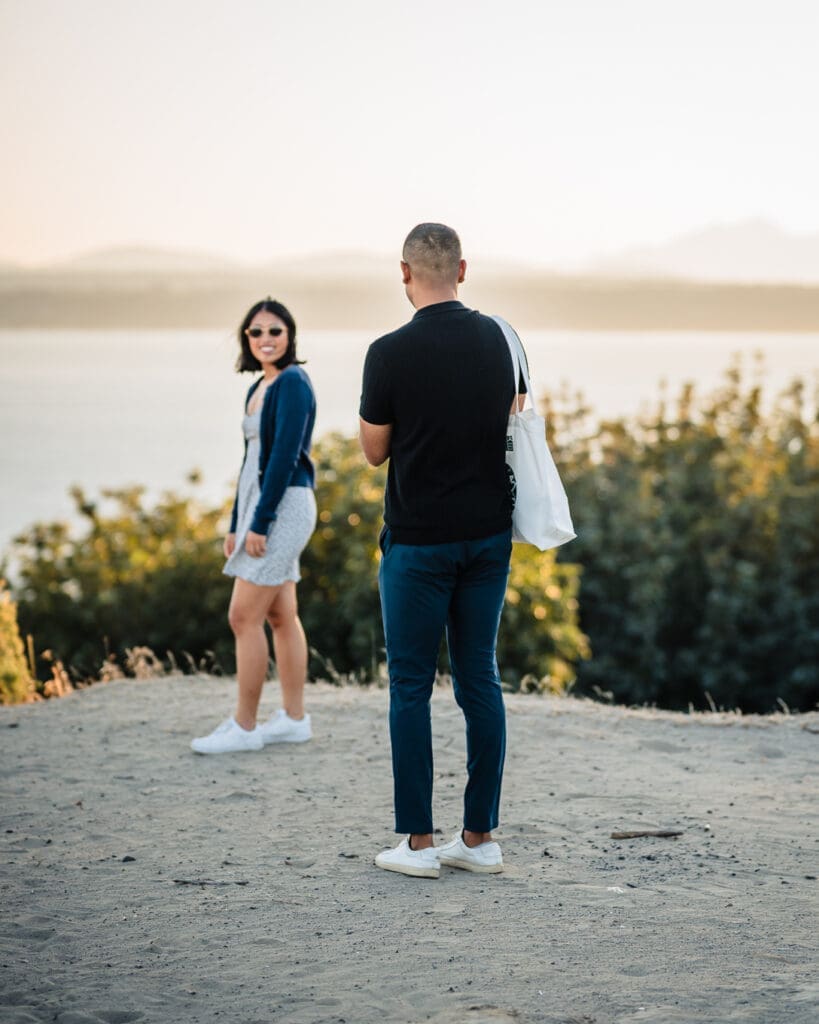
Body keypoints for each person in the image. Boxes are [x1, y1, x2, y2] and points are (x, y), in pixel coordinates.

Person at [359, 224, 525, 878]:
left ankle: (419, 845)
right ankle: (480, 839)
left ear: (404, 273)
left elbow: (374, 451)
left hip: (418, 541)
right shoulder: (499, 339)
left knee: (409, 686)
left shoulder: (387, 352)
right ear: (463, 268)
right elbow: (514, 410)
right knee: (478, 676)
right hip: (488, 537)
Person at [191, 298, 317, 754]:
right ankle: (293, 720)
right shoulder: (260, 387)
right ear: (247, 339)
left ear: (290, 337)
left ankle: (244, 728)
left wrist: (260, 523)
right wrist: (235, 522)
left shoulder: (294, 384)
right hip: (260, 508)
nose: (265, 339)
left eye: (275, 332)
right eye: (256, 332)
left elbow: (283, 459)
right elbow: (250, 462)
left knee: (242, 616)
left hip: (283, 508)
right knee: (281, 615)